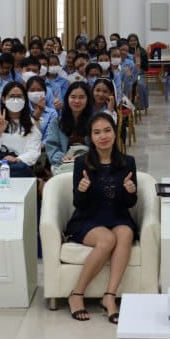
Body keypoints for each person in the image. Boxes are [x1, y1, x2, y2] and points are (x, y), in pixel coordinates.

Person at [63, 113, 139, 323]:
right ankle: (77, 294)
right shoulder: (82, 162)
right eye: (97, 132)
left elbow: (130, 203)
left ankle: (109, 296)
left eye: (107, 131)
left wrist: (130, 191)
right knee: (107, 239)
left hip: (117, 215)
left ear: (115, 133)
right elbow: (79, 203)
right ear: (90, 137)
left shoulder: (128, 162)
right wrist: (82, 189)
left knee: (125, 233)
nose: (103, 136)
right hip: (88, 218)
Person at [0, 81, 42, 177]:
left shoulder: (31, 124)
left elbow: (34, 152)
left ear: (25, 100)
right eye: (12, 96)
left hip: (19, 171)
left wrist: (17, 159)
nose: (15, 100)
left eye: (19, 96)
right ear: (4, 99)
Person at [47, 81, 92, 177]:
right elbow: (52, 146)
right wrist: (63, 158)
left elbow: (98, 148)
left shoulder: (95, 122)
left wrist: (83, 158)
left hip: (88, 163)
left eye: (81, 97)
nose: (77, 101)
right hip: (63, 163)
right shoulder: (56, 122)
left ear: (88, 99)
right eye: (73, 97)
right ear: (67, 98)